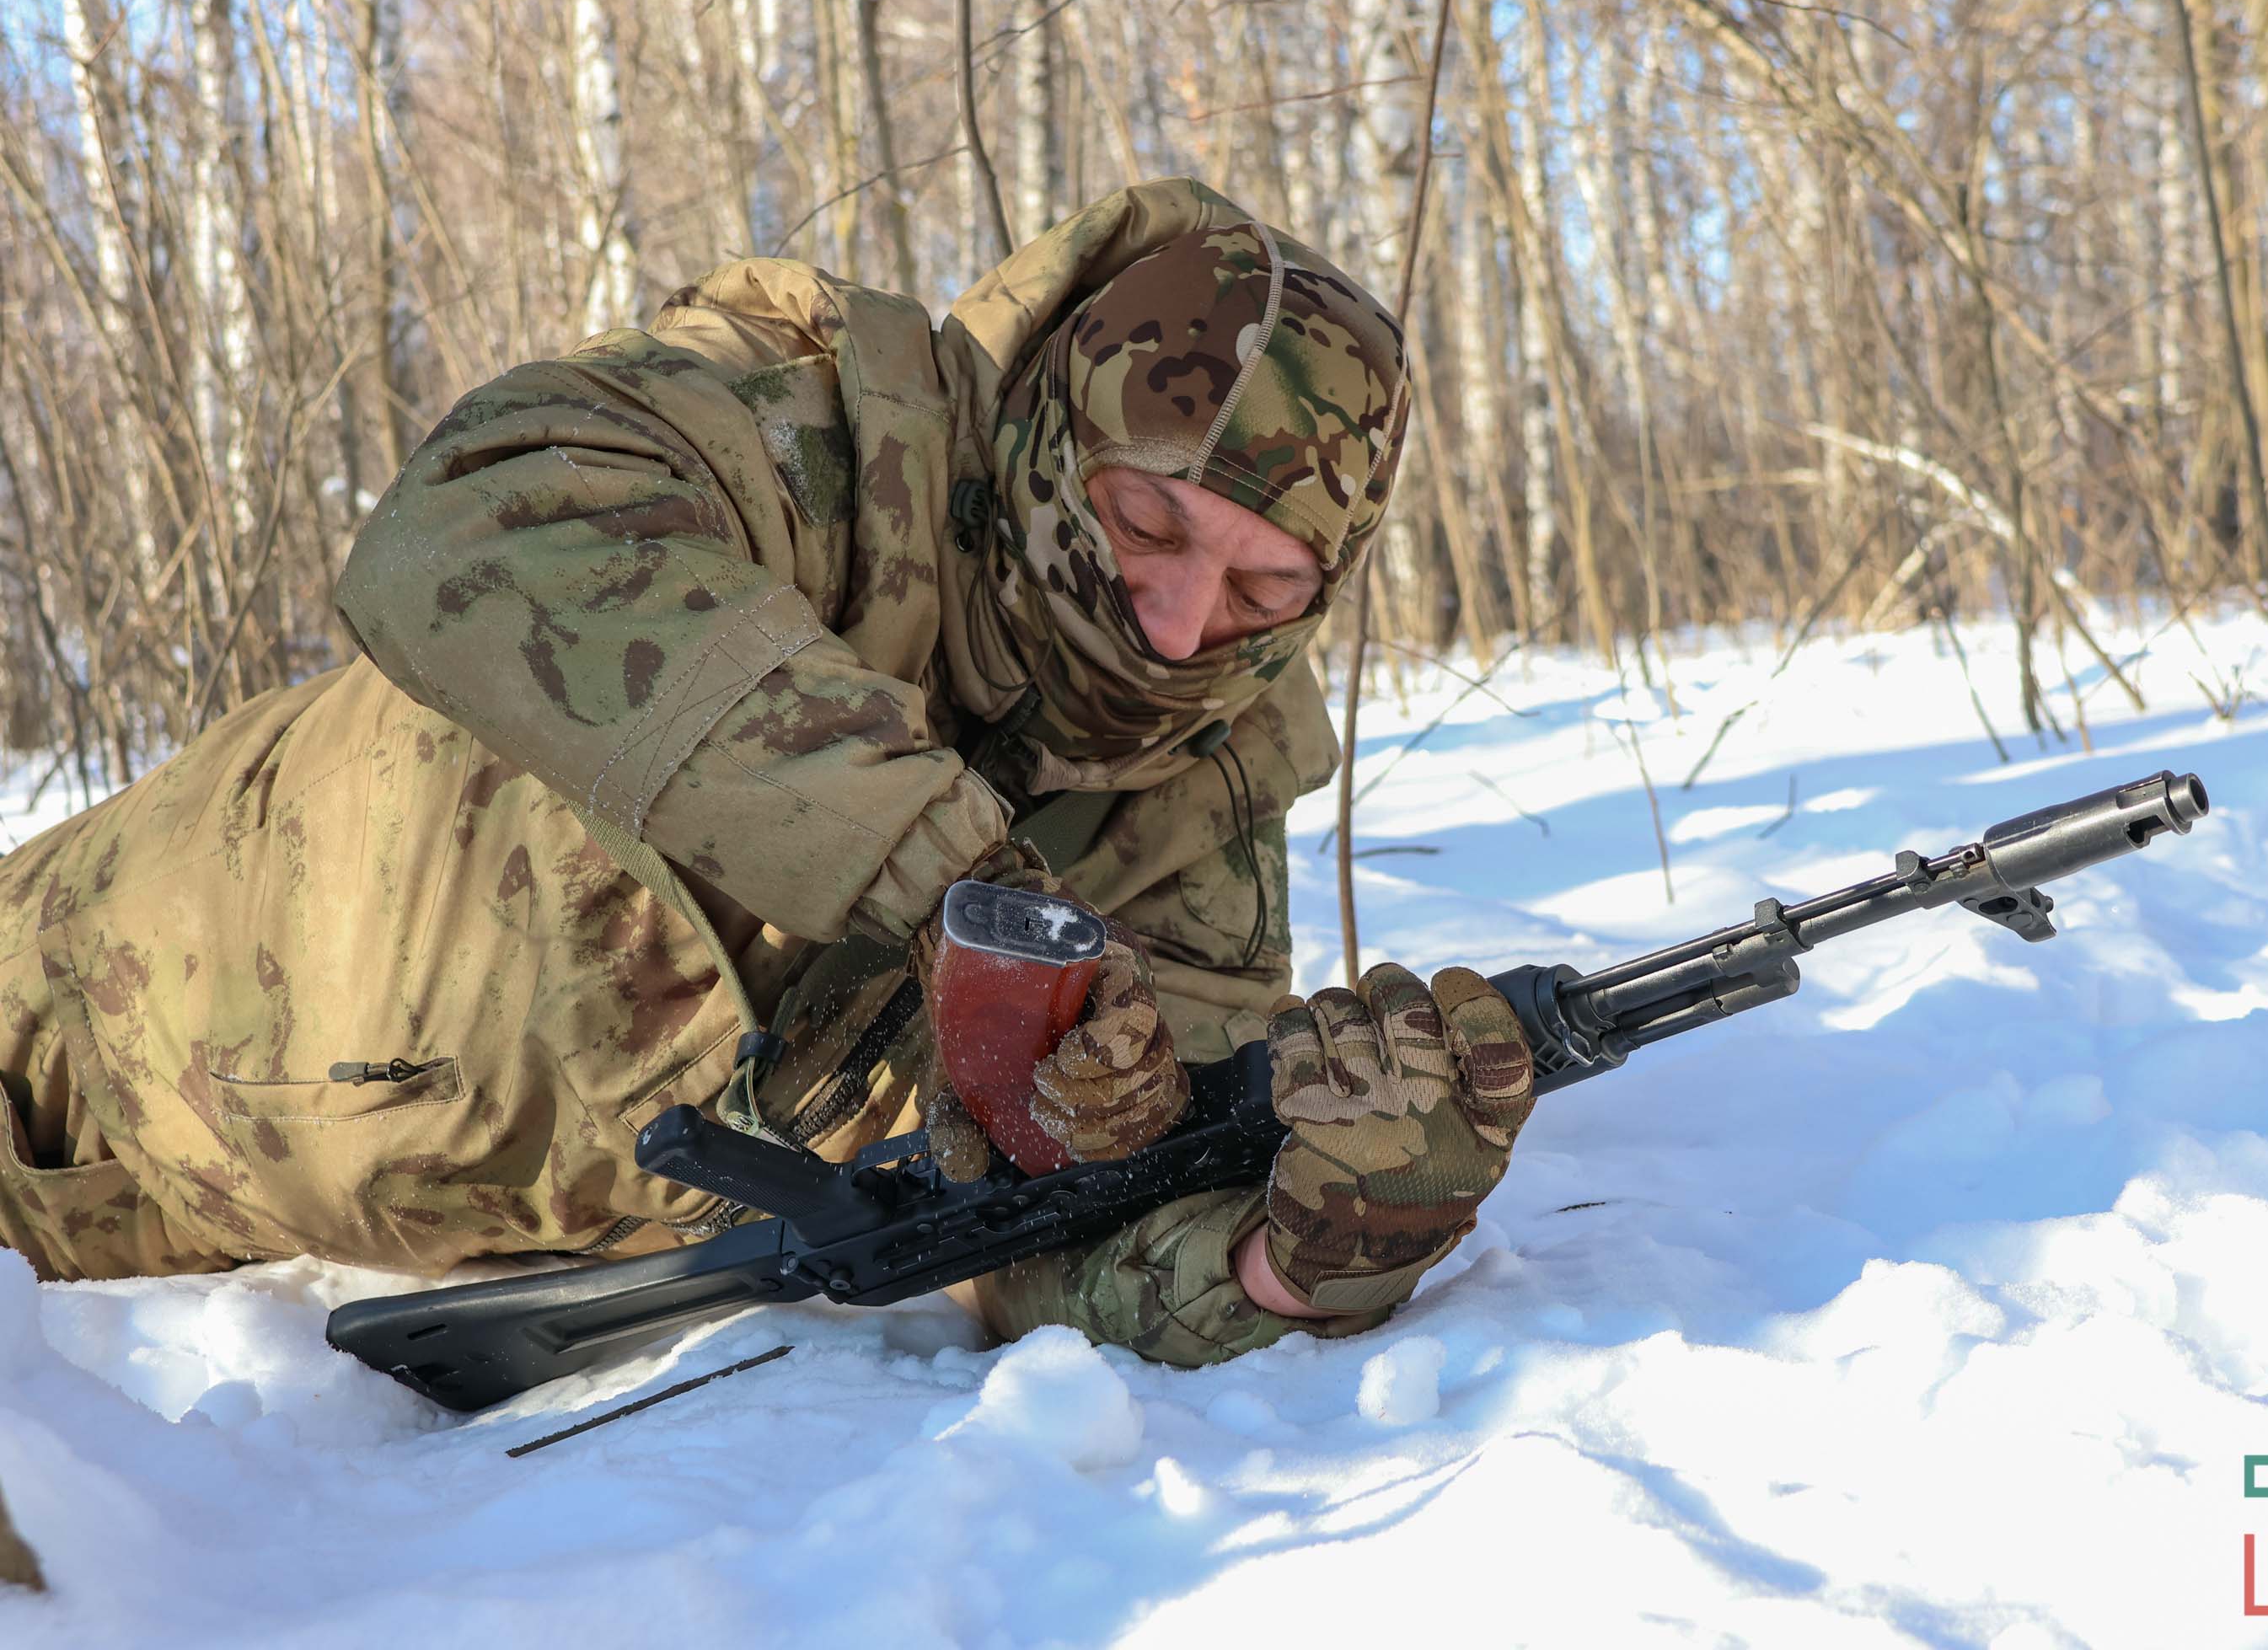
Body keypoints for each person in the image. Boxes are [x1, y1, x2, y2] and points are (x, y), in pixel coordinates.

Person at [0, 178, 1536, 1378]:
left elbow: (1056, 1225)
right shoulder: (808, 433)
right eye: (1145, 523)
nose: (1182, 621)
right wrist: (953, 885)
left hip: (181, 1225)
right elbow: (468, 531)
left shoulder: (1196, 814)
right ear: (1049, 432)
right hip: (56, 994)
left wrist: (1297, 1257)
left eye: (1266, 591)